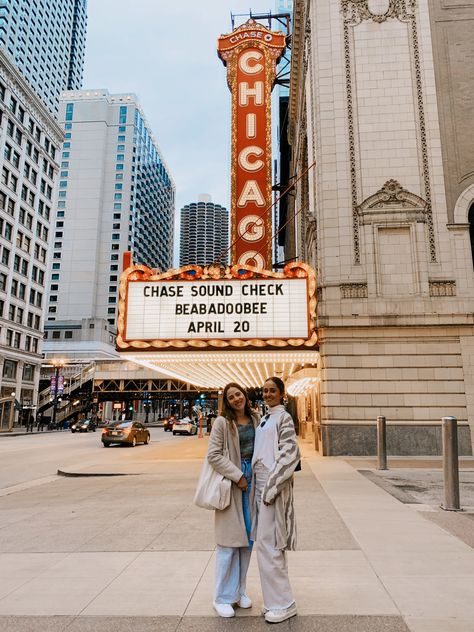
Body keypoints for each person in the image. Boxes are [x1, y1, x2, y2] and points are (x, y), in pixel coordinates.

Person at [206, 382, 259, 618]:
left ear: (244, 395)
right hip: (233, 483)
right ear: (226, 402)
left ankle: (239, 592)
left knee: (247, 542)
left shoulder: (257, 418)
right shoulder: (222, 423)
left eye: (238, 394)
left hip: (254, 484)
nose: (236, 399)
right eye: (231, 397)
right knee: (228, 544)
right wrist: (238, 476)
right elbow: (213, 455)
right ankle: (222, 597)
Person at [251, 376, 300, 624]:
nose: (268, 394)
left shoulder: (284, 417)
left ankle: (284, 602)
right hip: (260, 487)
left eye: (272, 391)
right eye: (265, 390)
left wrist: (271, 489)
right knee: (264, 545)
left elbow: (291, 454)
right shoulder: (264, 418)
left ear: (282, 394)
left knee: (271, 546)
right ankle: (273, 600)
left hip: (272, 489)